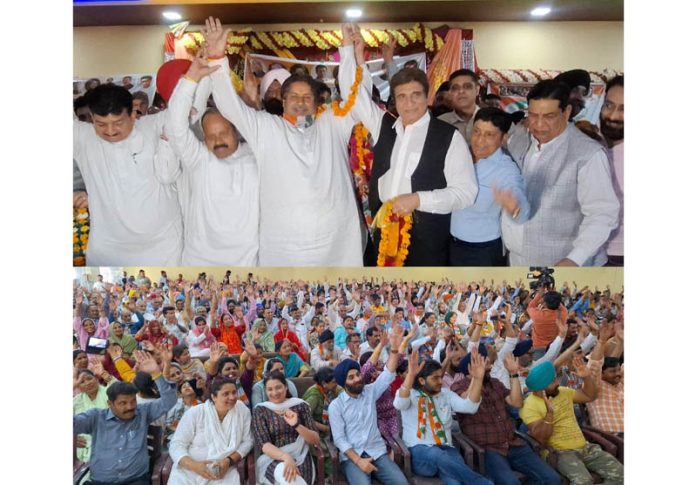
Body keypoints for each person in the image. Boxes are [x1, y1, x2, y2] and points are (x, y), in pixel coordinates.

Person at [203, 17, 363, 266]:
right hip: (285, 248)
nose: (300, 103)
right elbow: (230, 107)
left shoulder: (332, 122)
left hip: (336, 244)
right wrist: (216, 58)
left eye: (307, 97)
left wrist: (348, 49)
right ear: (284, 101)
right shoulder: (266, 128)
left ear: (317, 101)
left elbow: (355, 96)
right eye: (294, 97)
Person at [339, 23, 478, 266]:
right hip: (383, 233)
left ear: (427, 97)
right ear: (395, 99)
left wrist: (418, 199)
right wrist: (350, 50)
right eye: (402, 96)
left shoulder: (448, 136)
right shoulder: (384, 125)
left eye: (416, 95)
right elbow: (353, 94)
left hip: (427, 241)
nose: (409, 103)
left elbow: (466, 194)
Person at [503, 79, 620, 266]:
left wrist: (575, 258)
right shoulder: (520, 140)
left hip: (563, 264)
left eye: (549, 116)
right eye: (533, 115)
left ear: (566, 113)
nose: (539, 125)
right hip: (517, 260)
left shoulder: (587, 153)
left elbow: (602, 214)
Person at [164, 55, 260, 266]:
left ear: (236, 131)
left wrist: (252, 105)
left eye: (224, 133)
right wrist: (191, 79)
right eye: (210, 136)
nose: (218, 141)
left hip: (245, 265)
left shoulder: (257, 158)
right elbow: (175, 126)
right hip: (199, 262)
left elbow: (258, 126)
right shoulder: (199, 159)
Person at [74, 83, 184, 265]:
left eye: (118, 123)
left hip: (163, 248)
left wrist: (192, 77)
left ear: (133, 114)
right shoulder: (83, 137)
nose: (110, 131)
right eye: (100, 124)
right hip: (108, 250)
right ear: (92, 117)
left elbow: (187, 108)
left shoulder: (155, 125)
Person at [451, 353, 561, 485]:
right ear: (472, 368)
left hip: (513, 443)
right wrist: (477, 379)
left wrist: (513, 374)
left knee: (552, 479)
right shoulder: (458, 386)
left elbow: (517, 403)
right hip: (487, 450)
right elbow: (467, 401)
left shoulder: (495, 383)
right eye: (486, 365)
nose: (490, 367)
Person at [73, 351, 177, 485]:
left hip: (136, 480)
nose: (130, 407)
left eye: (133, 401)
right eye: (123, 403)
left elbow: (170, 400)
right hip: (101, 481)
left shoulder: (143, 412)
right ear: (110, 404)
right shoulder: (96, 417)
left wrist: (156, 373)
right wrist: (73, 386)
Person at [328, 322, 409, 485]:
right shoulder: (336, 406)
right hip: (353, 458)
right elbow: (339, 440)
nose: (357, 379)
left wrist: (394, 348)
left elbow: (388, 373)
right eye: (351, 378)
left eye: (358, 374)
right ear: (343, 383)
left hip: (377, 452)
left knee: (401, 483)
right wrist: (359, 462)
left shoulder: (370, 391)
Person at [394, 350, 492, 485]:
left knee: (454, 480)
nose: (441, 381)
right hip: (420, 453)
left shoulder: (446, 394)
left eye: (441, 377)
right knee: (437, 455)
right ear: (422, 380)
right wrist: (411, 374)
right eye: (435, 378)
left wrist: (478, 379)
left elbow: (470, 407)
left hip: (447, 449)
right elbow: (399, 403)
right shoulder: (410, 394)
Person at [449, 108, 530, 266]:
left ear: (503, 138)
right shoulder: (459, 154)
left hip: (483, 251)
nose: (479, 140)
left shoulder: (506, 169)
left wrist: (515, 207)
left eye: (489, 135)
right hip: (451, 243)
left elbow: (520, 204)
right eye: (477, 132)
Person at [520, 361, 623, 484]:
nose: (558, 383)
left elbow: (589, 396)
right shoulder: (529, 405)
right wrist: (549, 414)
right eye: (553, 381)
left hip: (585, 447)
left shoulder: (563, 391)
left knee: (621, 474)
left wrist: (586, 378)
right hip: (561, 454)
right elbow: (540, 437)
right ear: (541, 387)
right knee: (584, 482)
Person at [168, 378, 254, 485]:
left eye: (234, 392)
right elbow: (177, 444)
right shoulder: (196, 413)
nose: (232, 397)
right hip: (189, 470)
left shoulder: (242, 410)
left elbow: (248, 441)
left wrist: (228, 461)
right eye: (226, 394)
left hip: (222, 470)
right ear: (214, 397)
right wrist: (194, 465)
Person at [252, 371, 321, 485]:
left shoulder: (300, 405)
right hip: (273, 458)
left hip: (301, 456)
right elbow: (264, 445)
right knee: (285, 473)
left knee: (294, 478)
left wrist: (296, 425)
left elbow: (315, 439)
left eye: (278, 387)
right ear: (265, 390)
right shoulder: (261, 410)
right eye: (270, 389)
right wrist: (285, 457)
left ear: (286, 386)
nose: (274, 393)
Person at [599, 75, 624, 266]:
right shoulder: (599, 148)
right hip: (598, 253)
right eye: (609, 105)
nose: (613, 116)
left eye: (624, 109)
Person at [73, 367, 118, 462]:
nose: (88, 383)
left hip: (111, 443)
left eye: (89, 378)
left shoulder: (109, 393)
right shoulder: (76, 401)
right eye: (82, 382)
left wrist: (107, 376)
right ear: (78, 386)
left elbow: (122, 392)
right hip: (82, 448)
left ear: (96, 379)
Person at [438, 69, 480, 143]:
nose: (461, 91)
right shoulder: (440, 122)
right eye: (455, 88)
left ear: (477, 90)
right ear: (450, 93)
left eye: (467, 87)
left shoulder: (493, 120)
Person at [586, 357, 623, 436]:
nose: (618, 373)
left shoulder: (621, 384)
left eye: (619, 370)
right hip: (612, 436)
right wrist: (600, 345)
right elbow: (593, 367)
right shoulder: (595, 387)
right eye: (613, 371)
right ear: (601, 373)